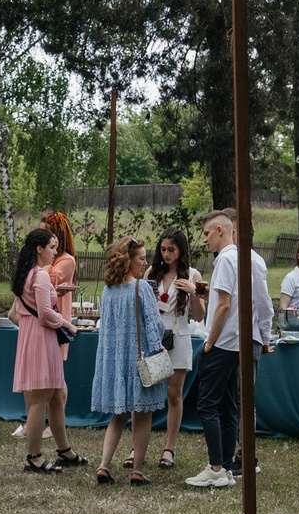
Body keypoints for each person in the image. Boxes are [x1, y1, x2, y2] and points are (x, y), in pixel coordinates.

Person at [189, 209, 273, 490]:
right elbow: (258, 302)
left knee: (207, 405)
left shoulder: (226, 259)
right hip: (238, 343)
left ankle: (215, 467)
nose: (205, 240)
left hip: (223, 342)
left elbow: (224, 305)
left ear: (221, 230)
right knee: (228, 406)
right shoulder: (247, 257)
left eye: (207, 234)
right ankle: (224, 466)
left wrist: (209, 341)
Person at [88, 236, 167, 484]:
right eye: (142, 258)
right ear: (129, 260)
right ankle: (137, 471)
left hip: (115, 361)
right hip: (139, 361)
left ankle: (103, 465)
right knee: (142, 416)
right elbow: (155, 326)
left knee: (119, 416)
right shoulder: (141, 288)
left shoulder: (108, 290)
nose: (145, 263)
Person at [10, 227, 78, 473]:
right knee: (40, 399)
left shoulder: (27, 273)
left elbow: (20, 310)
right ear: (39, 249)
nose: (55, 252)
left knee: (57, 395)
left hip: (33, 336)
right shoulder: (39, 275)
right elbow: (46, 314)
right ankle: (34, 456)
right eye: (51, 247)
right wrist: (68, 324)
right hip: (41, 338)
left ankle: (64, 450)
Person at [148, 230, 202, 470]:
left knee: (174, 394)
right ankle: (138, 445)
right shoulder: (152, 273)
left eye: (171, 249)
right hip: (154, 339)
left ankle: (169, 447)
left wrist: (194, 292)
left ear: (181, 250)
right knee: (148, 392)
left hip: (178, 337)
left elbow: (200, 315)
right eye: (163, 249)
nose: (167, 254)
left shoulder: (193, 275)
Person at [41, 211, 79, 327]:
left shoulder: (67, 261)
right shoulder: (40, 259)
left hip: (57, 323)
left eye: (44, 233)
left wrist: (51, 249)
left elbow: (48, 280)